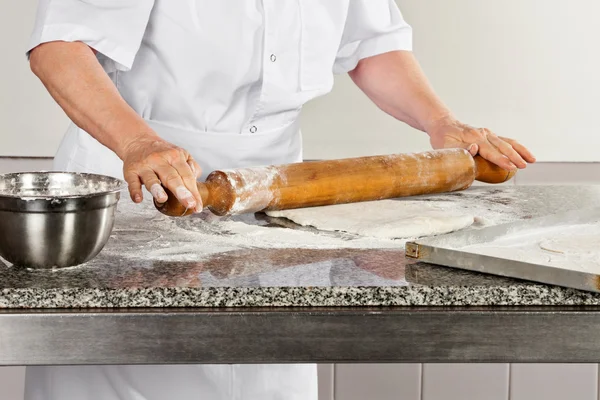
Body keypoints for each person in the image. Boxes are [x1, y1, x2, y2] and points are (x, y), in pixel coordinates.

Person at [25, 1, 536, 399]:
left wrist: (440, 122)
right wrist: (137, 142)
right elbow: (59, 46)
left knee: (265, 372)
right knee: (145, 366)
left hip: (273, 197)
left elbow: (371, 43)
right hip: (137, 184)